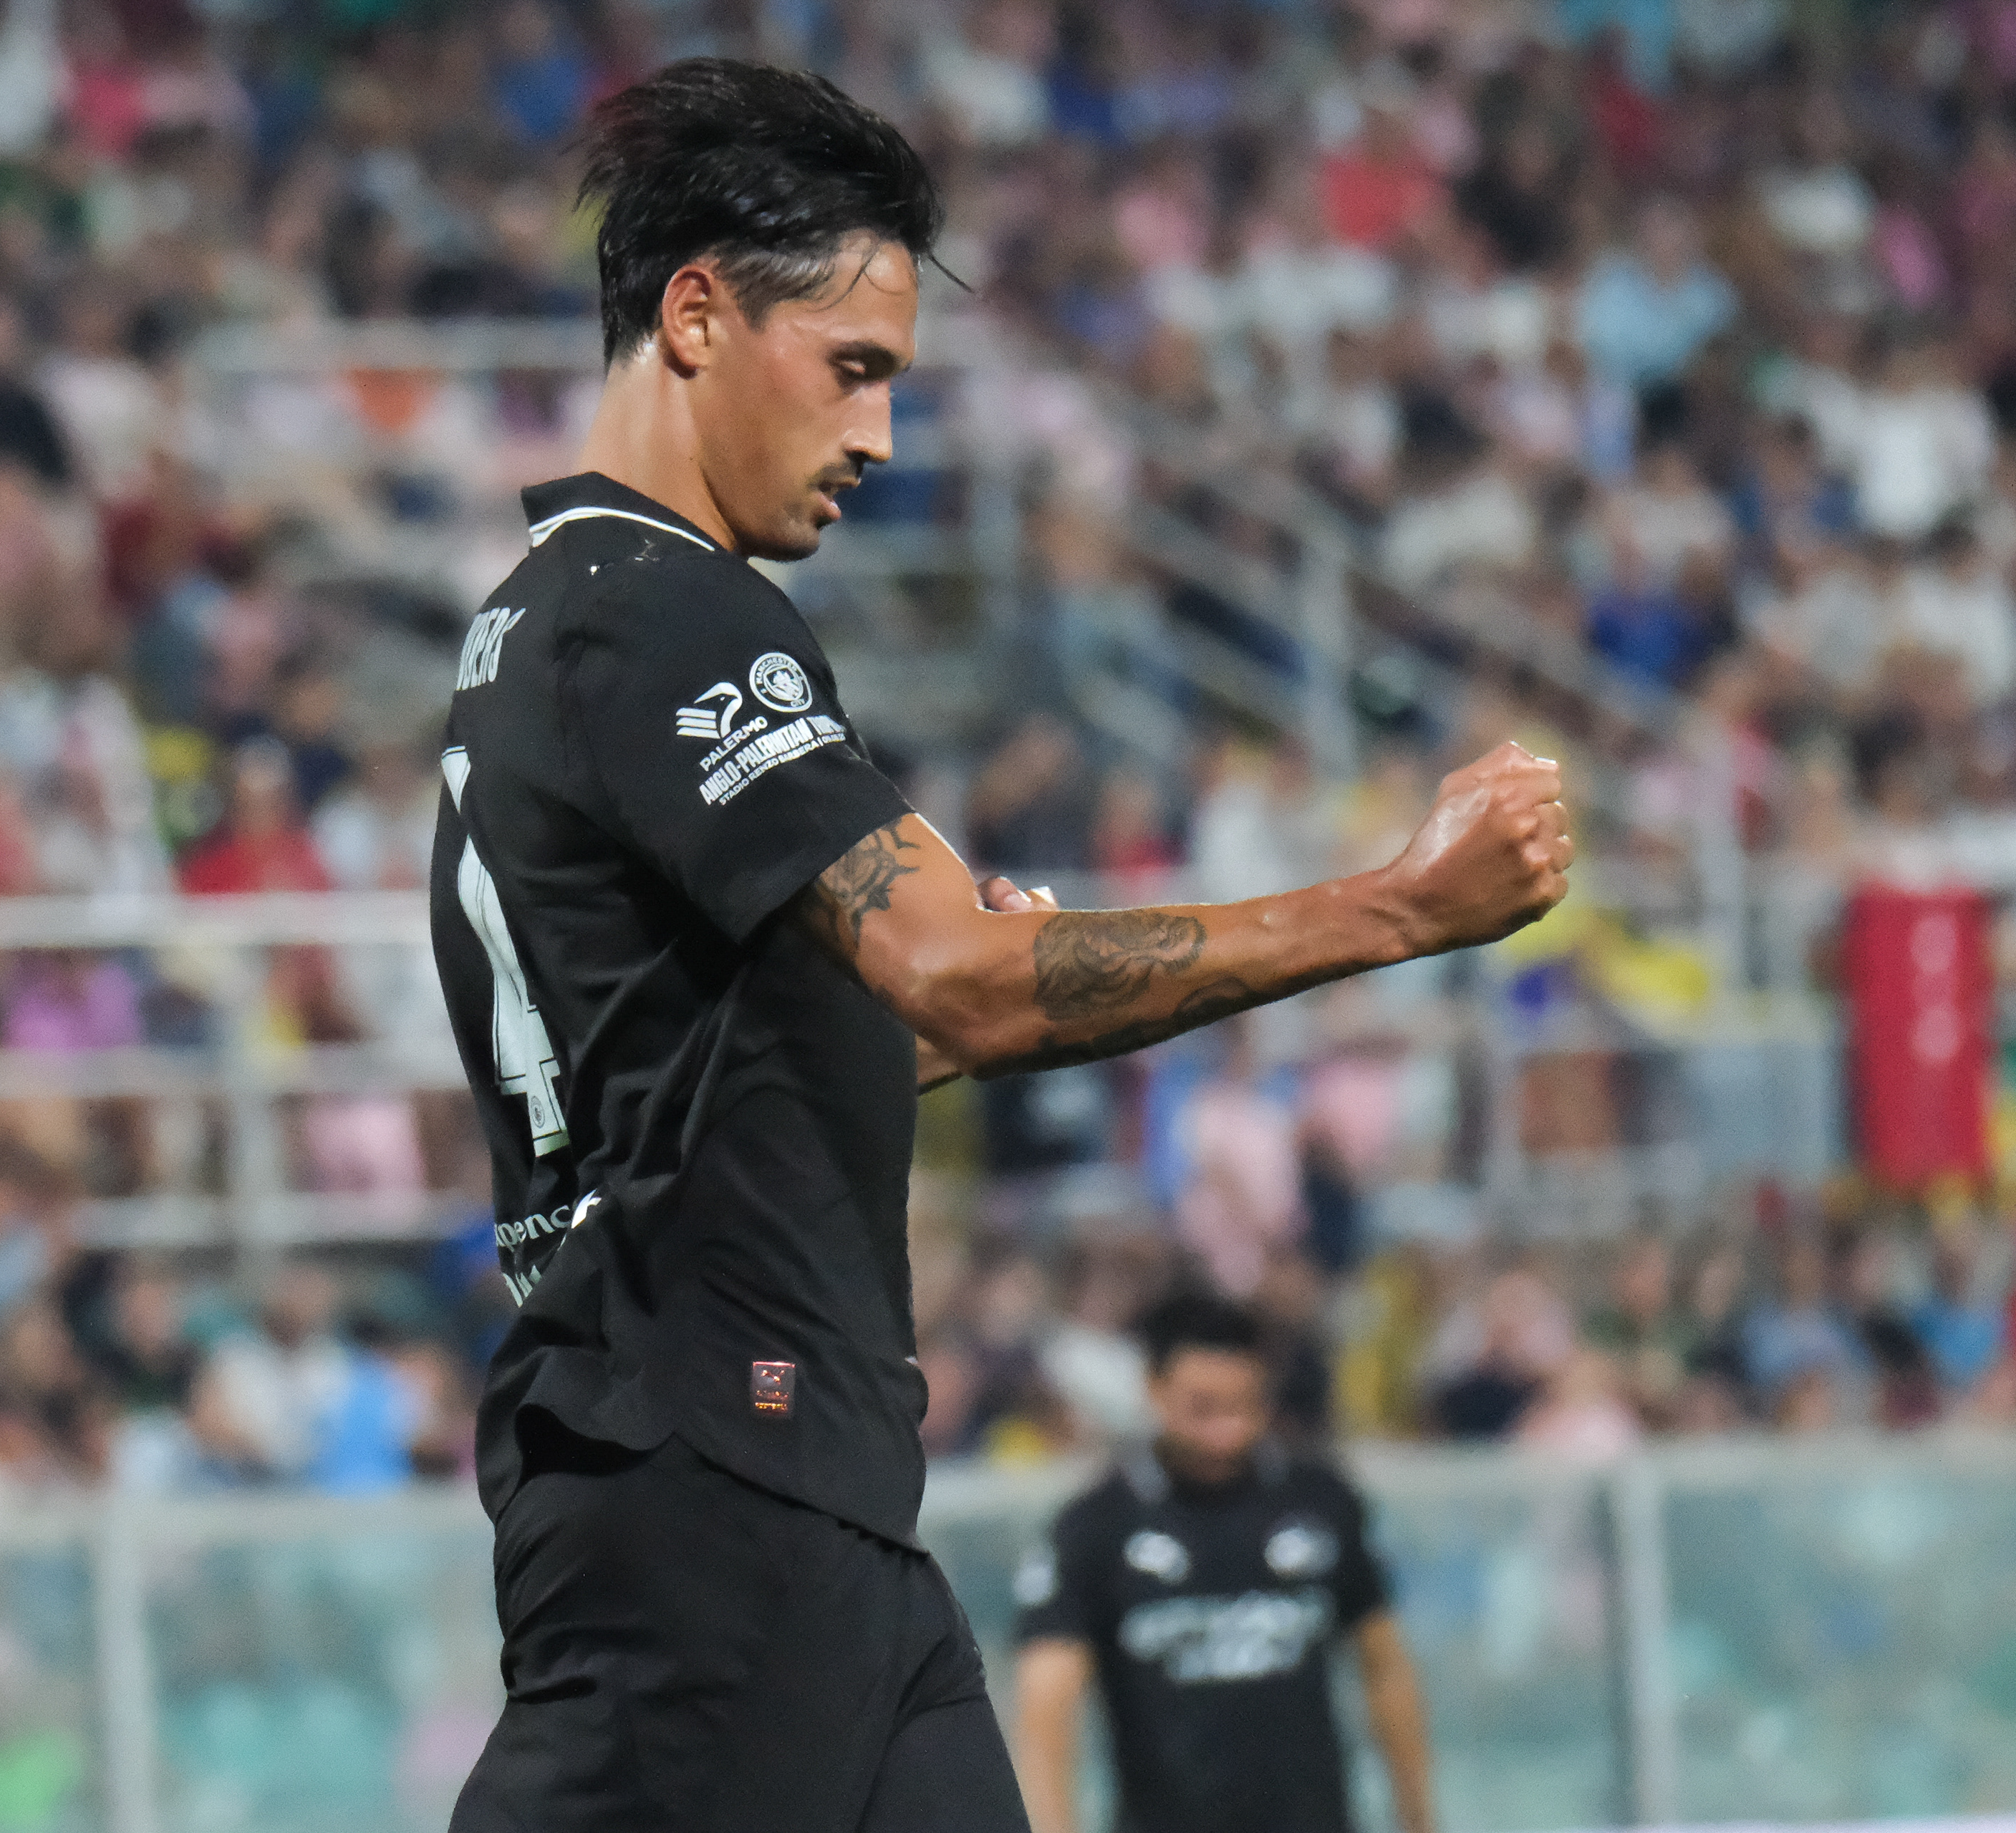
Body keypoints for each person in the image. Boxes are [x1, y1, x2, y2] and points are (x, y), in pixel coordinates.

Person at [433, 59, 1570, 1833]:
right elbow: (956, 968)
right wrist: (1397, 906)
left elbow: (743, 1055)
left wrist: (941, 1007)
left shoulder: (539, 620)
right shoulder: (668, 612)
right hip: (713, 1480)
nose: (881, 436)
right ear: (697, 317)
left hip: (786, 1480)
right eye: (853, 368)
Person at [1011, 1293, 1437, 1833]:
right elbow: (1046, 1711)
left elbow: (1385, 1668)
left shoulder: (1320, 1502)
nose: (1226, 1429)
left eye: (1245, 1405)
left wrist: (1419, 1819)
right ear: (1153, 1390)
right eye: (1202, 1408)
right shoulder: (1095, 1527)